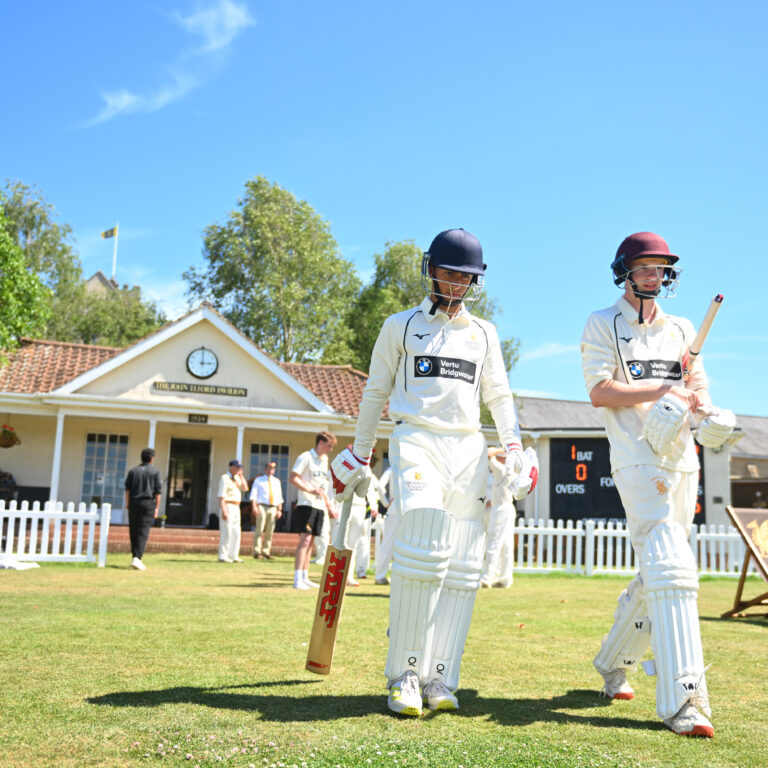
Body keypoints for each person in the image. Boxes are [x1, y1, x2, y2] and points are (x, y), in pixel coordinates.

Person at [330, 228, 538, 716]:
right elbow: (375, 393)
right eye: (450, 274)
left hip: (468, 445)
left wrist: (513, 447)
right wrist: (361, 454)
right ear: (431, 270)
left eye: (467, 278)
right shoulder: (399, 326)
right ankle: (404, 672)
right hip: (416, 437)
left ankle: (440, 677)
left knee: (464, 562)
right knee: (423, 535)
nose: (458, 286)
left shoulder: (483, 333)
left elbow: (499, 396)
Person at [581, 231, 736, 738]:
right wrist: (664, 388)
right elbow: (601, 392)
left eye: (661, 269)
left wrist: (709, 415)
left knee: (662, 573)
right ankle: (684, 701)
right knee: (669, 565)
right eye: (646, 268)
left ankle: (613, 662)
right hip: (635, 457)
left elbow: (698, 390)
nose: (655, 276)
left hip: (681, 461)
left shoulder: (682, 329)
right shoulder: (603, 323)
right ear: (624, 271)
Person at [289, 431, 336, 590]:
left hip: (319, 506)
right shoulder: (306, 457)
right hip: (306, 504)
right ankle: (297, 579)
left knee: (312, 543)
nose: (330, 449)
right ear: (321, 443)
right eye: (329, 446)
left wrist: (329, 506)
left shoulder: (324, 460)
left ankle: (305, 576)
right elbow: (293, 477)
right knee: (305, 540)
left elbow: (324, 486)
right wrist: (309, 490)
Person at [480, 448, 516, 588]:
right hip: (505, 508)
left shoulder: (501, 470)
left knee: (493, 542)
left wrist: (500, 449)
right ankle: (505, 578)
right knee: (506, 546)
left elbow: (489, 453)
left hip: (500, 508)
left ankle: (487, 577)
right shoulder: (505, 471)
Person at [124, 448, 163, 571]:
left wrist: (127, 504)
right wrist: (157, 507)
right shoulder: (155, 472)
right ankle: (138, 558)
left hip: (134, 502)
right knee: (143, 530)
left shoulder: (132, 471)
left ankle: (135, 556)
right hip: (147, 503)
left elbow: (127, 490)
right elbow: (158, 492)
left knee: (133, 530)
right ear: (151, 459)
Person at [249, 460, 284, 559]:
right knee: (259, 530)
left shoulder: (277, 481)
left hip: (273, 507)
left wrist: (279, 509)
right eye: (268, 468)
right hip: (262, 506)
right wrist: (254, 506)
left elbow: (279, 496)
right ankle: (257, 552)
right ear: (265, 469)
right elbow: (253, 495)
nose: (270, 470)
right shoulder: (259, 480)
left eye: (272, 469)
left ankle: (266, 551)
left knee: (270, 531)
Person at [216, 459, 249, 563]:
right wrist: (224, 510)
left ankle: (234, 555)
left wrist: (241, 476)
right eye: (237, 467)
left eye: (240, 467)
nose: (238, 469)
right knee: (227, 531)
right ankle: (223, 555)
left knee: (236, 532)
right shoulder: (225, 478)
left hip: (236, 506)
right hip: (228, 505)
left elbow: (245, 488)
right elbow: (221, 496)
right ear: (231, 467)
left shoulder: (237, 478)